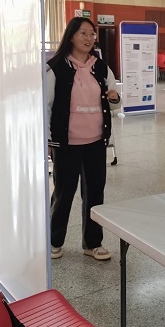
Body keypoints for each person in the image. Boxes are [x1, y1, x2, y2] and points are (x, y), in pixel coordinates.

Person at [48, 17, 120, 261]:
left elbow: (115, 99)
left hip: (95, 142)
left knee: (95, 195)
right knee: (63, 193)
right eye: (83, 33)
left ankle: (93, 243)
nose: (89, 38)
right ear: (71, 36)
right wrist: (47, 140)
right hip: (66, 144)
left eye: (92, 34)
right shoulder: (55, 67)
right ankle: (54, 241)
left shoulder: (100, 67)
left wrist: (115, 98)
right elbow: (46, 106)